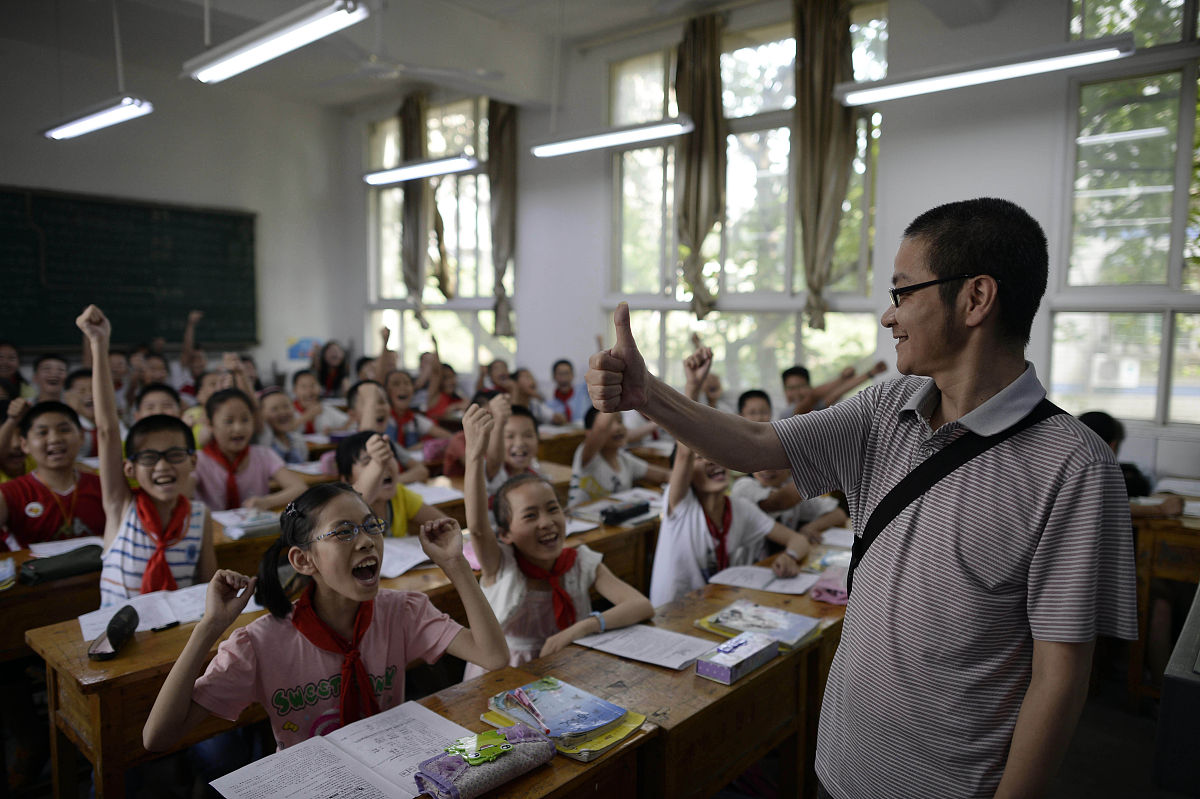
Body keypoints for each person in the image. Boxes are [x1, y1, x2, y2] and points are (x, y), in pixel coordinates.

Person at [587, 198, 1137, 798]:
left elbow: (1060, 677)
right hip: (841, 767)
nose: (887, 316)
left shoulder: (1073, 464)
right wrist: (649, 395)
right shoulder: (884, 410)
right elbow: (751, 444)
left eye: (903, 292)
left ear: (976, 298)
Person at [142, 482, 508, 751]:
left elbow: (493, 657)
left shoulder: (401, 612)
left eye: (370, 526)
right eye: (344, 532)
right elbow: (158, 736)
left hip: (393, 769)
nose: (366, 540)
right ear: (304, 560)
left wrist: (455, 564)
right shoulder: (261, 643)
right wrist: (209, 629)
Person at [461, 403, 652, 679]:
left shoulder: (579, 562)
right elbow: (478, 528)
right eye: (529, 516)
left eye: (553, 509)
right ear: (505, 534)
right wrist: (474, 455)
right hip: (503, 677)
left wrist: (583, 627)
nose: (546, 522)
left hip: (563, 670)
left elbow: (640, 605)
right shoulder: (501, 565)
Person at [77, 305, 216, 607]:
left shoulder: (199, 517)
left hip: (178, 640)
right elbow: (106, 431)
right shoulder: (120, 506)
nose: (163, 466)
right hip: (120, 642)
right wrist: (99, 344)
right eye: (150, 458)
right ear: (129, 468)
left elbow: (208, 590)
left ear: (193, 461)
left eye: (175, 455)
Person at [648, 345, 810, 605]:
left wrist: (790, 556)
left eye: (715, 456)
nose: (713, 461)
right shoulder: (679, 506)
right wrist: (692, 388)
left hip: (714, 611)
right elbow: (683, 451)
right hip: (671, 617)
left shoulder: (739, 509)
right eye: (701, 459)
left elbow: (798, 540)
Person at [0, 401, 105, 550]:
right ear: (25, 445)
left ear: (81, 437)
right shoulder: (9, 493)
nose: (55, 439)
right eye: (42, 432)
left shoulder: (104, 487)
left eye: (64, 430)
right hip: (32, 571)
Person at [194, 388, 307, 511]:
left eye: (245, 420)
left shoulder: (264, 455)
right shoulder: (197, 461)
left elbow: (299, 488)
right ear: (210, 425)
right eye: (229, 421)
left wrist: (267, 501)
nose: (238, 428)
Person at [336, 431, 448, 537]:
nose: (384, 465)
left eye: (389, 457)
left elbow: (446, 526)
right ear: (347, 480)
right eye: (368, 462)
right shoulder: (342, 509)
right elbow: (358, 498)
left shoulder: (400, 495)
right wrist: (377, 463)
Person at [482, 395, 546, 498]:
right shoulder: (496, 473)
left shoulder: (535, 474)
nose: (519, 443)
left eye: (528, 435)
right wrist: (499, 421)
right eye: (509, 436)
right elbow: (494, 460)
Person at [383, 369, 450, 447]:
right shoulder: (382, 418)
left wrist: (426, 444)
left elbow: (449, 437)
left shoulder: (415, 420)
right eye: (396, 384)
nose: (403, 387)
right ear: (386, 391)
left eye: (407, 383)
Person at [257, 387, 308, 465]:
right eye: (274, 409)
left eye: (286, 406)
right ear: (261, 415)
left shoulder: (298, 440)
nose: (283, 412)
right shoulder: (264, 441)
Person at [291, 369, 349, 435]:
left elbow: (351, 423)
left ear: (319, 388)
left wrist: (336, 430)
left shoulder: (324, 408)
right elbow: (283, 431)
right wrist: (307, 416)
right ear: (294, 390)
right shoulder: (289, 411)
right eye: (304, 387)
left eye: (313, 385)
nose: (309, 391)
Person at [546, 358, 591, 423]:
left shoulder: (584, 390)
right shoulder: (549, 404)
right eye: (560, 374)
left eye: (566, 373)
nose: (564, 378)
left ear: (572, 375)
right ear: (554, 376)